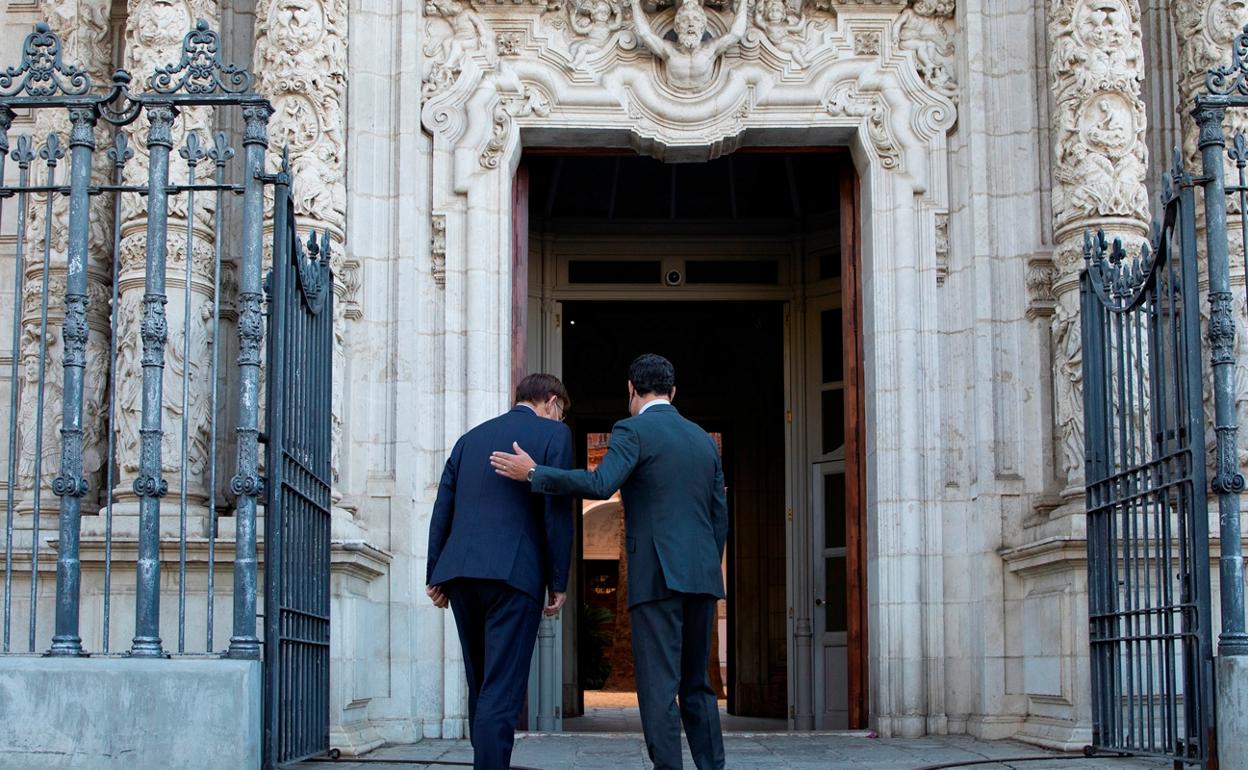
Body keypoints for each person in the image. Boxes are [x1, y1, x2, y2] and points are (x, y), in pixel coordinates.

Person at [491, 354, 728, 770]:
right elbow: (718, 516)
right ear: (673, 392)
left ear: (632, 390)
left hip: (657, 579)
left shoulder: (631, 430)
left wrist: (535, 473)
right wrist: (707, 562)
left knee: (658, 688)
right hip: (702, 577)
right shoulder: (702, 440)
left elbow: (601, 483)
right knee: (698, 686)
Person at [425, 373, 574, 770]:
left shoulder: (469, 438)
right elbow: (556, 512)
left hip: (460, 575)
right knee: (502, 690)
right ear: (552, 402)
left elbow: (443, 508)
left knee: (482, 685)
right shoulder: (553, 436)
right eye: (561, 411)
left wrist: (435, 573)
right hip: (514, 575)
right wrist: (558, 580)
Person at [629, 0, 749, 91]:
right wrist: (634, 4)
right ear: (677, 27)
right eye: (685, 20)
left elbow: (736, 33)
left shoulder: (709, 49)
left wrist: (743, 2)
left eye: (696, 20)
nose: (691, 24)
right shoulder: (668, 50)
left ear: (702, 27)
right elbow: (644, 34)